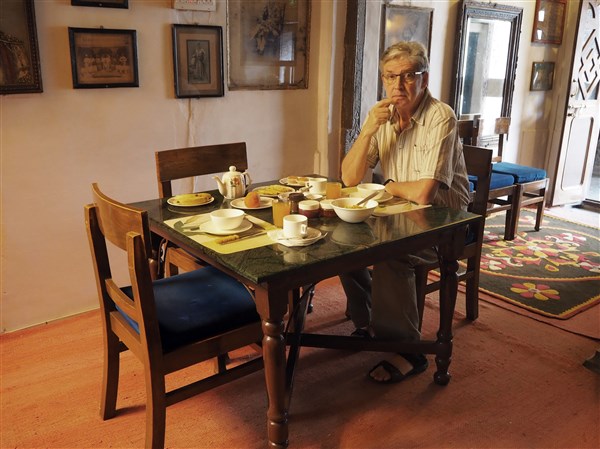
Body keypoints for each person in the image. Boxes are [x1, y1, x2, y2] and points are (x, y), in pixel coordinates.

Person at [340, 41, 470, 384]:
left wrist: (389, 185)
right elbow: (349, 178)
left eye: (409, 75)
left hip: (446, 222)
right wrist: (368, 130)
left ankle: (409, 350)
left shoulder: (440, 116)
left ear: (424, 79)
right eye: (390, 76)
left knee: (390, 254)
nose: (398, 85)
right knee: (342, 239)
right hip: (400, 215)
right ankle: (371, 322)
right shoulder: (382, 116)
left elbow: (425, 194)